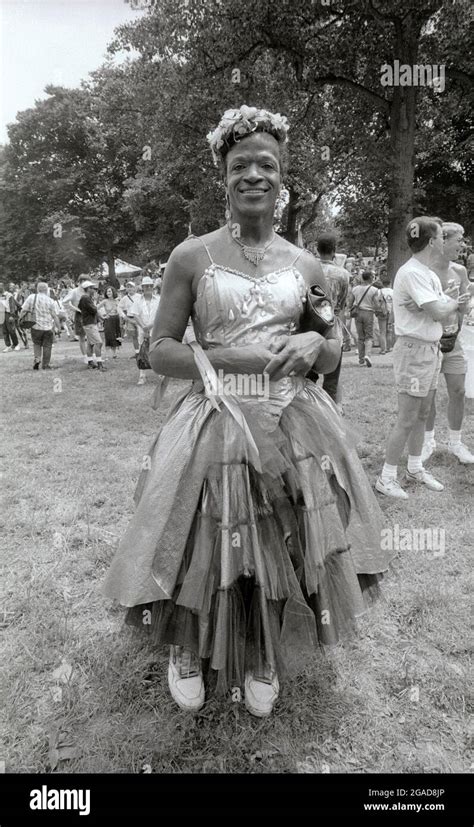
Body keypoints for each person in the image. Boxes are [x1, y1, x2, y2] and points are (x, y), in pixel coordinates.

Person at [102, 105, 392, 717]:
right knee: (201, 529)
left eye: (267, 164)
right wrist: (230, 357)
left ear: (283, 179)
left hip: (294, 417)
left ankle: (262, 651)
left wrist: (317, 342)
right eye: (240, 165)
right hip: (216, 415)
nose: (253, 174)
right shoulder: (191, 256)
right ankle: (186, 647)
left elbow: (331, 342)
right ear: (223, 178)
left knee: (285, 530)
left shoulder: (307, 264)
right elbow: (158, 350)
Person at [375, 217, 470, 499]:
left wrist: (447, 300)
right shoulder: (414, 272)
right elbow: (441, 312)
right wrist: (455, 302)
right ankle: (387, 476)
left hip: (428, 349)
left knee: (423, 413)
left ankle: (414, 467)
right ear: (431, 242)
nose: (444, 241)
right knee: (407, 417)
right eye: (441, 237)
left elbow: (439, 306)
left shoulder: (424, 272)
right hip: (415, 350)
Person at [422, 222, 474, 465]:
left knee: (459, 391)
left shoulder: (460, 271)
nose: (462, 245)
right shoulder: (424, 270)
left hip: (453, 340)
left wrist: (465, 301)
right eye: (459, 240)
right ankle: (428, 441)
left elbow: (463, 307)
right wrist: (448, 299)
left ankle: (456, 442)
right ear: (443, 241)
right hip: (430, 342)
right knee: (429, 395)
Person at [310, 231, 350, 410]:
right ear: (334, 250)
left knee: (308, 376)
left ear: (317, 249)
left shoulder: (308, 269)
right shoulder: (342, 274)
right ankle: (330, 413)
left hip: (309, 327)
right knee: (332, 379)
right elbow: (341, 304)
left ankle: (308, 410)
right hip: (332, 328)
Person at [19, 282, 61, 369]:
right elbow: (55, 316)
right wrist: (59, 327)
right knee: (47, 346)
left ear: (38, 289)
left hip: (35, 326)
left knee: (36, 344)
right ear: (47, 290)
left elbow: (23, 310)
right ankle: (46, 365)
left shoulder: (31, 297)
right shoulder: (50, 301)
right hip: (48, 327)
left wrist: (20, 319)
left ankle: (37, 359)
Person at [128, 276, 160, 385]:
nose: (148, 288)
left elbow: (161, 315)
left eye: (150, 286)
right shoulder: (137, 301)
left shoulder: (158, 300)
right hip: (142, 330)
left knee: (157, 350)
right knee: (142, 351)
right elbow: (135, 315)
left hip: (155, 329)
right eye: (146, 286)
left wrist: (150, 326)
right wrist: (143, 327)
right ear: (142, 287)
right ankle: (142, 375)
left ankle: (160, 372)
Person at [348, 270, 381, 366]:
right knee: (369, 336)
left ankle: (361, 359)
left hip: (358, 313)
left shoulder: (355, 289)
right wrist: (379, 310)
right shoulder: (374, 290)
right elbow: (376, 304)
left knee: (360, 337)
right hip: (368, 313)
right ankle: (367, 355)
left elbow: (350, 303)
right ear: (370, 278)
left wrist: (348, 310)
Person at [77, 282, 107, 371]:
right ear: (88, 288)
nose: (94, 290)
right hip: (89, 323)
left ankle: (90, 362)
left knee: (90, 343)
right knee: (98, 343)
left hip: (87, 322)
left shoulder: (84, 298)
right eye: (93, 288)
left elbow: (81, 308)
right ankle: (99, 363)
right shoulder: (86, 298)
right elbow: (94, 309)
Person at [62, 276, 89, 364]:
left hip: (89, 315)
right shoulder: (74, 291)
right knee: (82, 337)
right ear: (79, 282)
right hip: (80, 315)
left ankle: (91, 355)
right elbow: (64, 302)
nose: (84, 283)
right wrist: (75, 309)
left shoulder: (89, 290)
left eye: (86, 281)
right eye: (83, 281)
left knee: (91, 336)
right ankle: (85, 356)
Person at [97, 286, 122, 359]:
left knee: (116, 335)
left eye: (110, 291)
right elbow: (96, 308)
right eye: (107, 291)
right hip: (108, 319)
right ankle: (109, 353)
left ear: (113, 292)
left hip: (116, 319)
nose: (109, 293)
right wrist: (102, 316)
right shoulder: (105, 301)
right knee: (109, 336)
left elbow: (121, 309)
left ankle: (114, 353)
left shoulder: (117, 301)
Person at [118, 281, 140, 357]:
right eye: (128, 287)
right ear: (126, 289)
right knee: (134, 336)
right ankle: (137, 353)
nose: (130, 288)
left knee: (142, 335)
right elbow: (119, 307)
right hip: (130, 318)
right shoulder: (124, 298)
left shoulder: (140, 296)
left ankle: (145, 351)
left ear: (135, 288)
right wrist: (124, 316)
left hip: (139, 318)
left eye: (131, 287)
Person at [0, 283, 21, 352]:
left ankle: (16, 344)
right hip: (1, 314)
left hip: (8, 314)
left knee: (11, 330)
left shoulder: (9, 295)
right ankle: (8, 345)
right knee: (4, 331)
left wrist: (12, 315)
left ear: (2, 287)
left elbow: (12, 305)